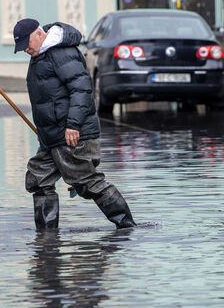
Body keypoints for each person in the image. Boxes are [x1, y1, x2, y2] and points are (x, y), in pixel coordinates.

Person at [13, 18, 136, 230]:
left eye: (26, 42)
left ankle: (126, 226)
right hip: (53, 136)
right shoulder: (41, 53)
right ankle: (47, 239)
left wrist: (73, 125)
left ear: (38, 33)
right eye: (21, 45)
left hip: (72, 134)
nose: (25, 48)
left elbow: (82, 90)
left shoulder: (61, 53)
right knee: (37, 178)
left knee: (87, 183)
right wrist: (43, 130)